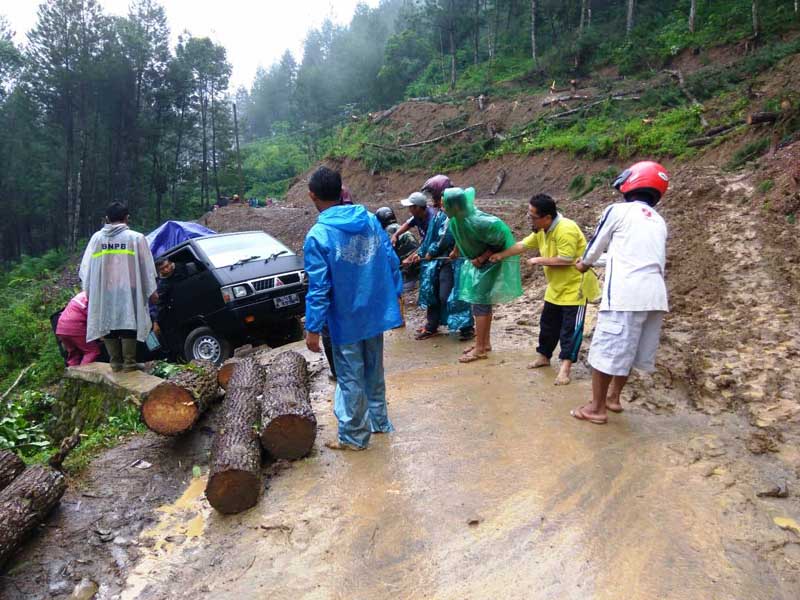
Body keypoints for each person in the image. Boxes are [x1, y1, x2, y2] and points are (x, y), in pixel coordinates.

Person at [303, 166, 403, 451]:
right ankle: (380, 422)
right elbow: (389, 257)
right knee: (374, 369)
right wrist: (392, 296)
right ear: (341, 189)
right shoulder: (369, 220)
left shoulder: (318, 235)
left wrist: (312, 328)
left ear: (312, 195)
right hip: (374, 311)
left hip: (345, 319)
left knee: (349, 377)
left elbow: (319, 288)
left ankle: (354, 437)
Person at [572, 161, 670, 424]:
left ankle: (596, 408)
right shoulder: (659, 221)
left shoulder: (617, 211)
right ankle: (614, 399)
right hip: (656, 296)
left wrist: (583, 263)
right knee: (630, 348)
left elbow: (595, 246)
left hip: (626, 294)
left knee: (607, 350)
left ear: (630, 183)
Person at [489, 194, 597, 385]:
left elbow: (566, 258)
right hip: (556, 287)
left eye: (532, 216)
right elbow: (523, 244)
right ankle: (544, 356)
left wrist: (539, 260)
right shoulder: (541, 229)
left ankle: (565, 368)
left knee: (569, 330)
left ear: (547, 217)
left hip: (575, 288)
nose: (529, 219)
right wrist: (501, 255)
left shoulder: (566, 229)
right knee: (548, 324)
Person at [443, 187, 523, 363]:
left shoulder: (480, 222)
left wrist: (482, 257)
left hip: (489, 262)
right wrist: (456, 250)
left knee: (480, 302)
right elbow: (459, 234)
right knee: (480, 302)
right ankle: (484, 343)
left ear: (455, 206)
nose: (442, 208)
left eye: (445, 205)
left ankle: (479, 349)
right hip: (477, 262)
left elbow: (499, 241)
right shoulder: (457, 219)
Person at [79, 202, 158, 372]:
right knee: (129, 321)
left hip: (104, 290)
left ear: (107, 219)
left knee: (108, 322)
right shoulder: (135, 238)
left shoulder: (97, 239)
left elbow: (86, 268)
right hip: (129, 289)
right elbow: (147, 267)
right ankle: (129, 363)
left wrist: (89, 290)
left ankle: (115, 363)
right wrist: (151, 290)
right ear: (127, 218)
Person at [401, 176, 474, 341]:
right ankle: (432, 325)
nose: (434, 200)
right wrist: (419, 254)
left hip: (450, 261)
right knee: (431, 291)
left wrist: (430, 252)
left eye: (435, 196)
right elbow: (429, 238)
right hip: (437, 261)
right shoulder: (439, 213)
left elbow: (444, 237)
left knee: (449, 294)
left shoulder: (451, 214)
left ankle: (466, 327)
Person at [55, 291, 103, 367]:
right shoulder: (94, 297)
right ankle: (81, 374)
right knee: (92, 351)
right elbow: (94, 318)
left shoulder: (82, 295)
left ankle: (72, 376)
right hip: (75, 327)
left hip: (61, 327)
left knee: (74, 354)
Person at [150, 257, 189, 336]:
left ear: (171, 263)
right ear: (158, 271)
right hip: (178, 312)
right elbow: (160, 304)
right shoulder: (162, 285)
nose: (166, 270)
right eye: (162, 269)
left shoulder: (181, 267)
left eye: (167, 266)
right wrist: (156, 322)